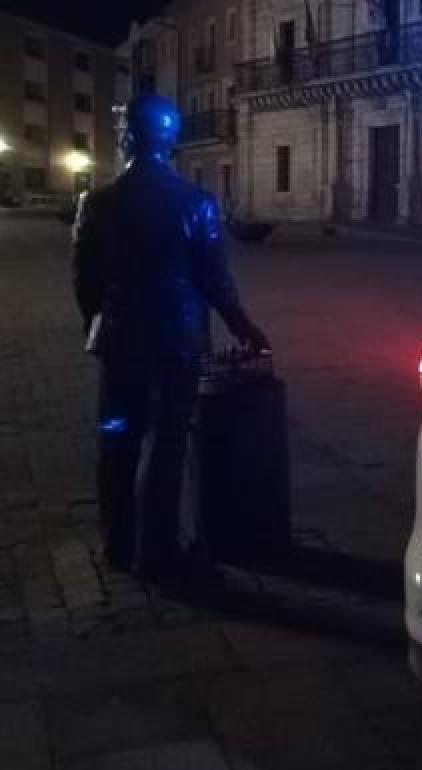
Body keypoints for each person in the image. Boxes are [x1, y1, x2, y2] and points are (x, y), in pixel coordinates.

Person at [72, 93, 270, 582]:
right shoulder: (196, 203)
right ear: (171, 141)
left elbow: (83, 278)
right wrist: (246, 328)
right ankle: (157, 549)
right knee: (166, 441)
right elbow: (216, 282)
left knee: (118, 435)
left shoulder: (96, 204)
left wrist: (98, 320)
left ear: (128, 138)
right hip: (177, 342)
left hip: (119, 341)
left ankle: (117, 543)